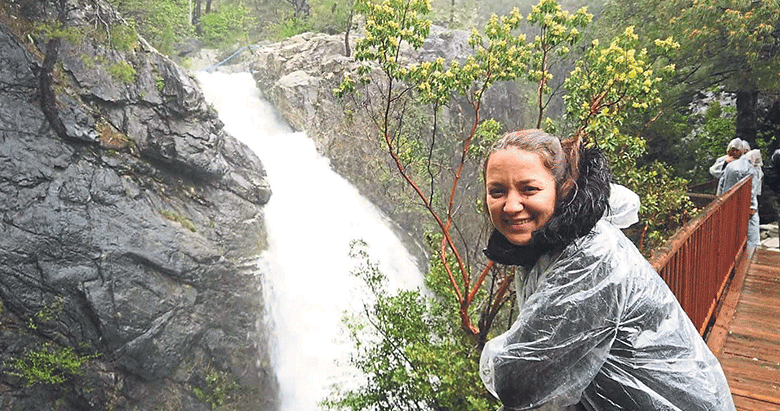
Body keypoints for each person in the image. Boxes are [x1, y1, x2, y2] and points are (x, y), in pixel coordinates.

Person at [479, 129, 735, 411]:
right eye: (497, 191)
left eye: (529, 189)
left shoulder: (590, 256)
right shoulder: (543, 243)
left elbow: (519, 381)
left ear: (562, 188)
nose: (512, 205)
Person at [718, 149, 762, 248]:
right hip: (744, 205)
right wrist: (752, 206)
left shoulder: (731, 165)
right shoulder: (751, 170)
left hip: (727, 202)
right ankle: (752, 249)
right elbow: (752, 191)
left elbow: (721, 182)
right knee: (751, 228)